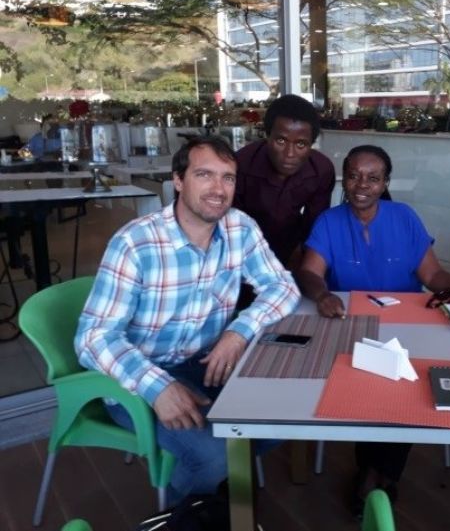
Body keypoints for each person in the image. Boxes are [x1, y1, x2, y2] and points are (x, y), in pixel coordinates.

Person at [75, 135, 300, 504]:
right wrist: (158, 387)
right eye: (204, 175)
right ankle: (198, 504)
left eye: (228, 178)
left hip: (205, 363)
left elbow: (283, 287)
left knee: (283, 417)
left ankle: (208, 486)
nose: (218, 189)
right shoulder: (136, 242)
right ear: (178, 180)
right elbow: (93, 337)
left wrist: (239, 332)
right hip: (138, 376)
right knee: (214, 454)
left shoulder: (239, 228)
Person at [296, 144, 450, 516]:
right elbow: (309, 271)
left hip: (409, 325)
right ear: (344, 178)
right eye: (354, 175)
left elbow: (432, 276)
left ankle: (373, 472)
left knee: (410, 385)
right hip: (351, 324)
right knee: (366, 385)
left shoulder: (404, 217)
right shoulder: (329, 221)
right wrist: (321, 294)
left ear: (386, 182)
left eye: (373, 177)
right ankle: (379, 473)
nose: (362, 185)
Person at [232, 94, 335, 270]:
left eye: (301, 144)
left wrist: (302, 254)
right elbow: (230, 224)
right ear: (267, 135)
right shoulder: (241, 164)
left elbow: (315, 225)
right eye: (281, 140)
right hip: (243, 250)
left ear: (311, 144)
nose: (289, 154)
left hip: (293, 247)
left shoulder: (321, 170)